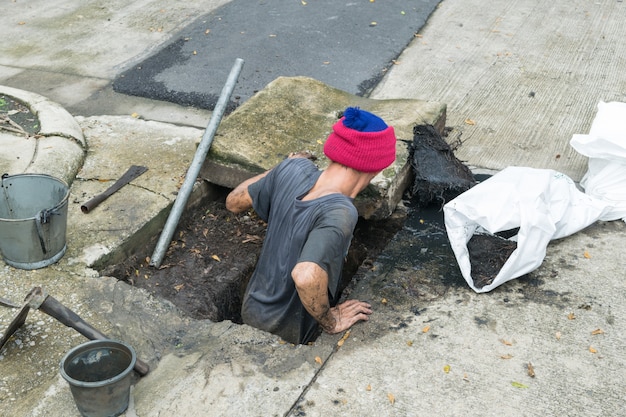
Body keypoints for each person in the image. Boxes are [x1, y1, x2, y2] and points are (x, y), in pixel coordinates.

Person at [225, 107, 397, 344]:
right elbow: (306, 276)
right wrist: (330, 320)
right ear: (377, 166)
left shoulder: (293, 168)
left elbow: (234, 201)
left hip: (252, 310)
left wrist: (278, 170)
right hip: (286, 331)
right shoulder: (340, 213)